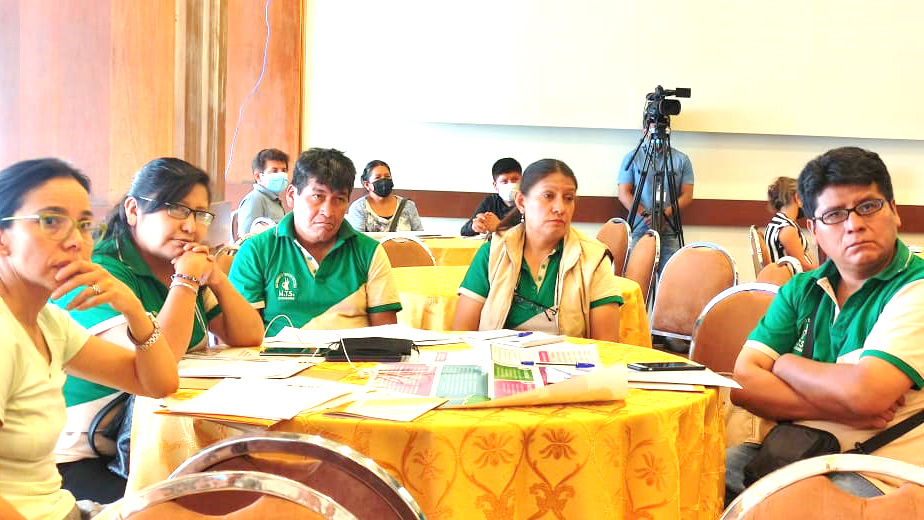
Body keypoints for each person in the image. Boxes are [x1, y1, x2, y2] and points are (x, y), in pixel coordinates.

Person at [51, 158, 264, 503]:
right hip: (87, 456)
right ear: (133, 210)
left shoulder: (180, 266)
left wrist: (217, 278)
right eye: (176, 209)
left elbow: (249, 335)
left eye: (200, 214)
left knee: (255, 486)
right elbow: (160, 360)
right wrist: (187, 280)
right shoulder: (100, 275)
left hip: (160, 439)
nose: (190, 226)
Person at [726, 147, 924, 501]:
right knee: (696, 478)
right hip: (796, 451)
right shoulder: (802, 288)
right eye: (834, 214)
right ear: (814, 230)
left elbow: (868, 394)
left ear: (894, 211)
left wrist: (785, 364)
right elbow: (743, 384)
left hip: (884, 471)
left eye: (868, 206)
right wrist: (842, 407)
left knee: (795, 507)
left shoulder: (916, 286)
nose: (854, 225)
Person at [0, 158, 179, 520]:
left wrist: (133, 309)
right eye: (51, 221)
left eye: (84, 225)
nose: (75, 242)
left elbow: (157, 383)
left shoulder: (48, 322)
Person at [230, 148, 402, 337]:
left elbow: (385, 338)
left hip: (353, 356)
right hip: (278, 355)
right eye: (317, 196)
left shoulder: (370, 253)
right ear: (291, 195)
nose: (328, 211)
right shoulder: (255, 252)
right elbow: (243, 336)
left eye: (339, 199)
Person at [452, 159, 623, 341]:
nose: (560, 208)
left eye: (568, 198)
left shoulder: (594, 258)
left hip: (570, 359)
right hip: (495, 357)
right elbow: (463, 334)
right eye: (548, 196)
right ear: (521, 202)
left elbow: (606, 345)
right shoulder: (494, 251)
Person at [617, 126, 694, 273]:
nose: (658, 131)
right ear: (645, 131)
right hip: (639, 228)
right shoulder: (633, 158)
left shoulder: (681, 160)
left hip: (669, 229)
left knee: (671, 276)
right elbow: (623, 193)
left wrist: (664, 215)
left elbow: (687, 195)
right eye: (653, 127)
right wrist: (646, 215)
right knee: (636, 277)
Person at [345, 160, 423, 233]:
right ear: (367, 185)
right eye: (377, 177)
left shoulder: (408, 205)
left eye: (387, 176)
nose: (383, 180)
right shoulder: (359, 208)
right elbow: (357, 239)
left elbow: (421, 236)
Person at [460, 157, 522, 236]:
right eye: (504, 181)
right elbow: (464, 231)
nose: (510, 185)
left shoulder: (529, 203)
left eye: (515, 179)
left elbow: (530, 236)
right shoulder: (490, 201)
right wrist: (474, 226)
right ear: (495, 185)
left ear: (523, 181)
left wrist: (499, 227)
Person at [765, 176, 816, 271]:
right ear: (797, 198)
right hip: (792, 279)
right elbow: (803, 266)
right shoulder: (786, 229)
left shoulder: (778, 222)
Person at [237, 148, 290, 236]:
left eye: (284, 170)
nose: (281, 175)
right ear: (258, 177)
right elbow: (246, 238)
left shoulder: (274, 199)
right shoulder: (255, 199)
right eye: (274, 171)